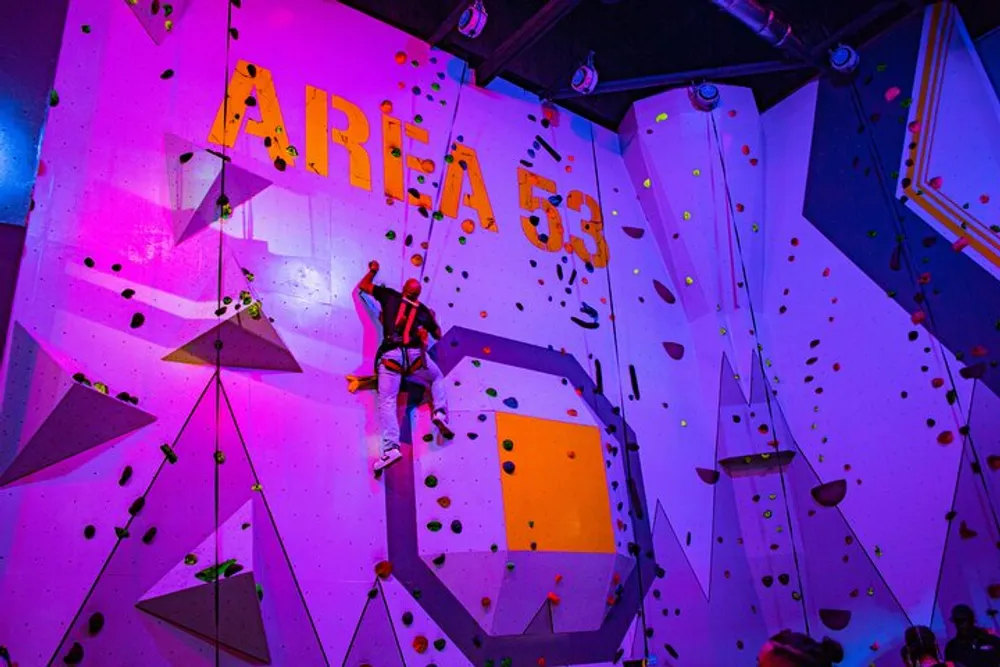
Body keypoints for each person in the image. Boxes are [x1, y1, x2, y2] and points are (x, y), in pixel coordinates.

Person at [358, 260, 452, 473]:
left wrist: (372, 270)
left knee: (388, 400)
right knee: (436, 377)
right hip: (414, 356)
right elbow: (438, 334)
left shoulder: (390, 295)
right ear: (417, 296)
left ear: (403, 290)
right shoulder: (424, 311)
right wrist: (432, 320)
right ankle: (439, 413)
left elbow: (363, 287)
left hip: (391, 355)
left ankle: (391, 447)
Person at [757, 630, 843, 667]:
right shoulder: (814, 646)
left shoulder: (817, 659)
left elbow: (799, 656)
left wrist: (781, 648)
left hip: (774, 653)